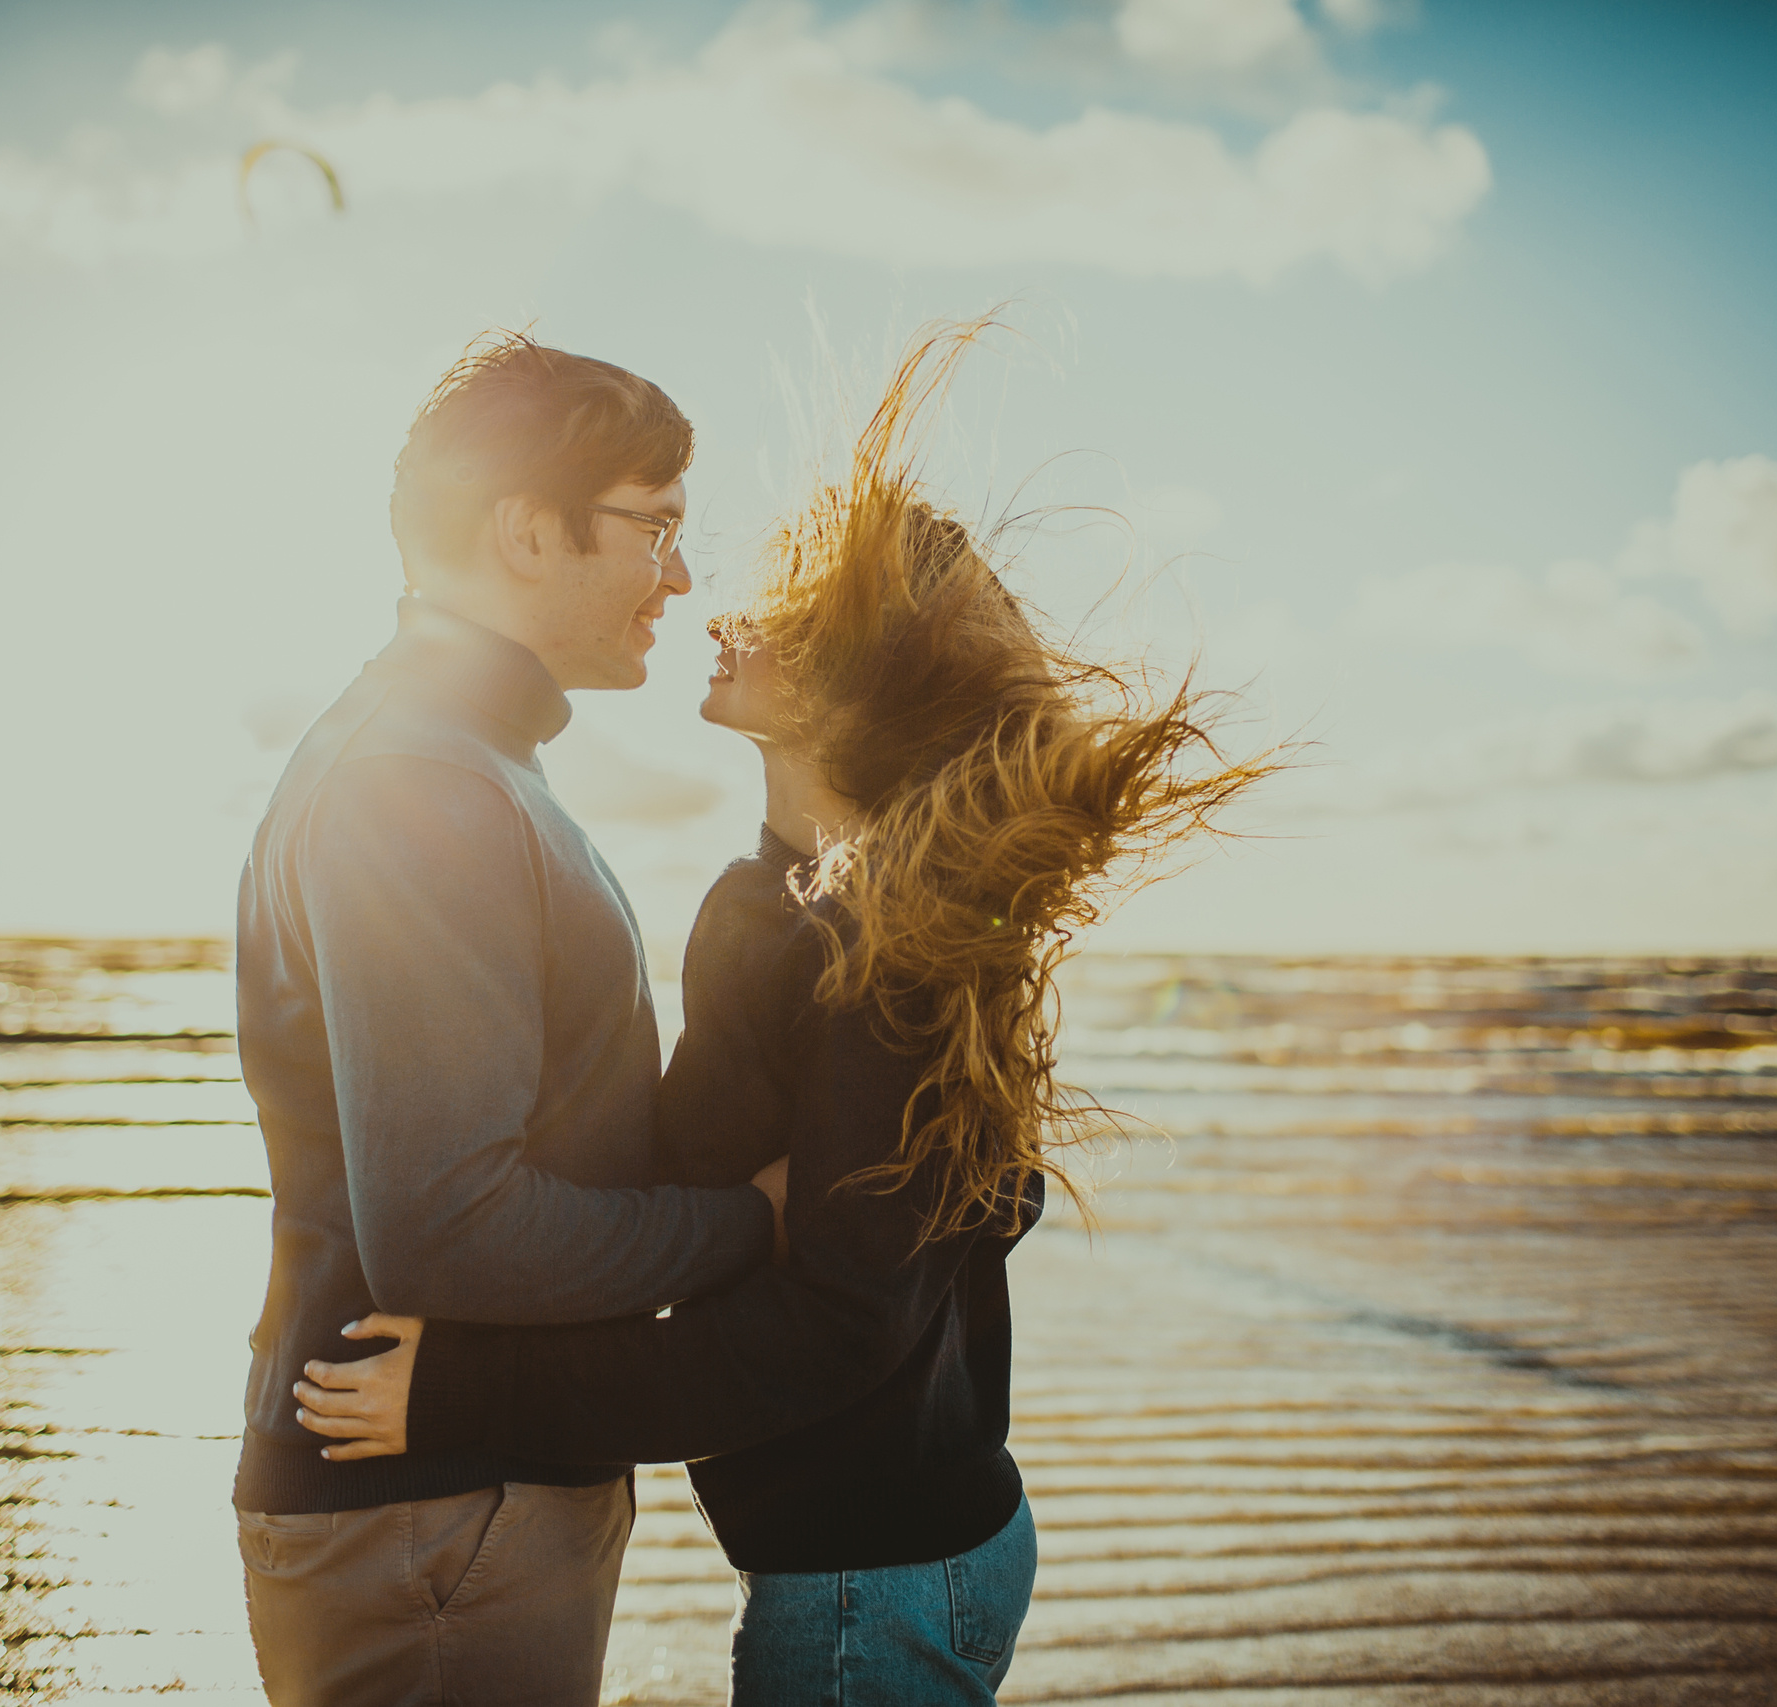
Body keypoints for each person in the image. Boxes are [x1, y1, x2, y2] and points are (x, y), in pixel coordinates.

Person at [290, 322, 1276, 1703]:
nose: (718, 611)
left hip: (878, 1582)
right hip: (872, 1561)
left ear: (856, 686)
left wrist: (475, 1395)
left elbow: (835, 1323)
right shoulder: (784, 905)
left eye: (788, 615)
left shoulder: (881, 952)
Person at [231, 333, 790, 1706]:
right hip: (431, 1511)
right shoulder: (423, 787)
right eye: (653, 527)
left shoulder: (450, 757)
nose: (678, 575)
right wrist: (760, 1221)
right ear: (526, 531)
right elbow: (449, 1225)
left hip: (446, 1502)